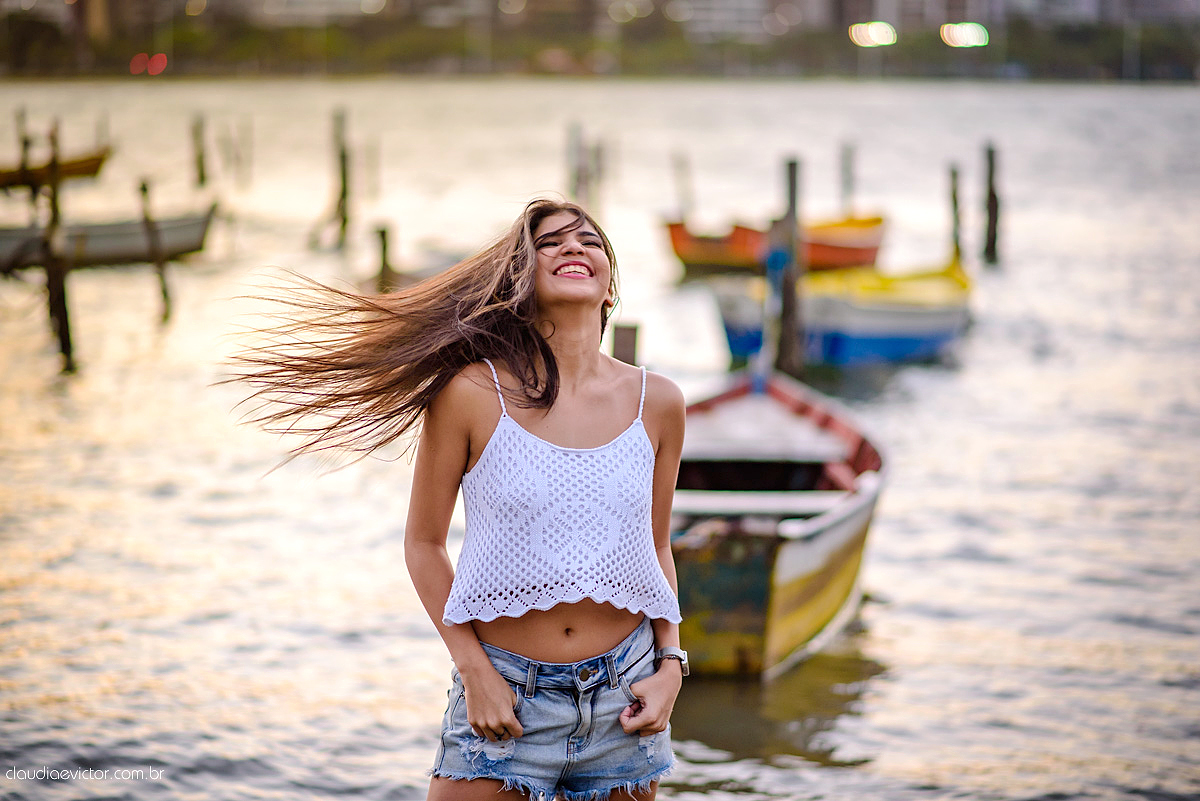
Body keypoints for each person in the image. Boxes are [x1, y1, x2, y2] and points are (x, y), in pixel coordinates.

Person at [230, 198, 687, 801]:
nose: (573, 248)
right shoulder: (472, 391)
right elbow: (423, 544)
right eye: (549, 243)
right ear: (521, 280)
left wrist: (671, 666)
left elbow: (655, 547)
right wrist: (476, 672)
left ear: (610, 287)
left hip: (626, 697)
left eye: (589, 241)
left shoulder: (659, 401)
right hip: (507, 695)